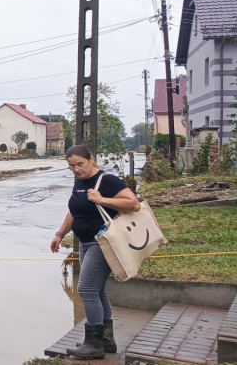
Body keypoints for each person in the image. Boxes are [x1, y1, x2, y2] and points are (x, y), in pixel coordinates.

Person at [51, 145, 140, 360]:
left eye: (80, 164)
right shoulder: (80, 181)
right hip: (85, 243)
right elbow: (75, 209)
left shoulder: (107, 181)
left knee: (87, 289)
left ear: (92, 159)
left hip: (103, 243)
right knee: (98, 291)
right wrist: (60, 234)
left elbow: (133, 204)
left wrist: (102, 200)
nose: (76, 169)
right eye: (71, 166)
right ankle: (107, 340)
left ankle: (94, 344)